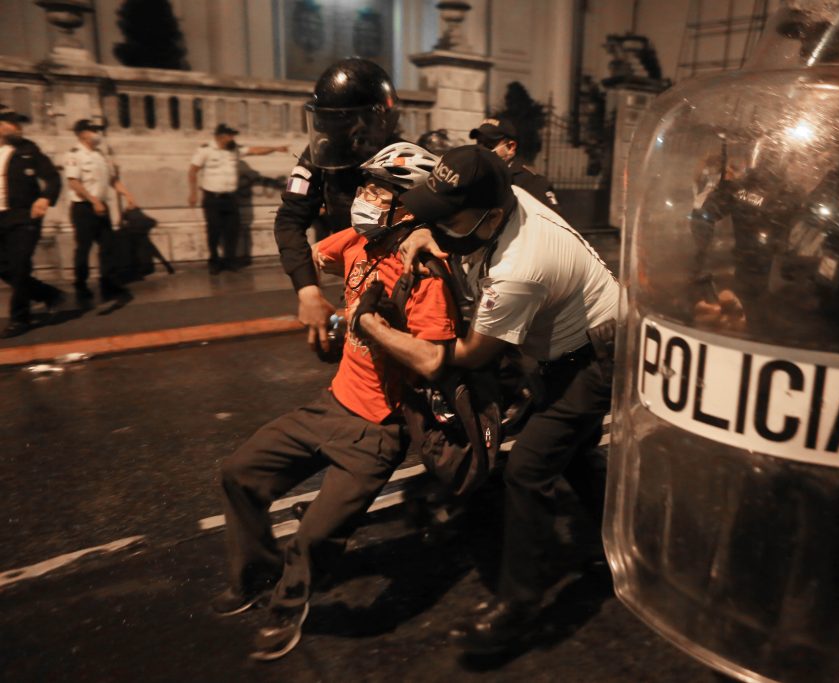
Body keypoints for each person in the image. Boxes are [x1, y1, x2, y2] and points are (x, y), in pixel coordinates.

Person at [214, 142, 456, 662]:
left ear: (408, 207)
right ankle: (257, 572)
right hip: (330, 405)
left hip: (376, 433)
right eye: (364, 187)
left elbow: (433, 361)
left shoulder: (425, 273)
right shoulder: (359, 240)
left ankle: (288, 605)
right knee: (239, 473)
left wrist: (368, 321)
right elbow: (307, 252)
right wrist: (312, 299)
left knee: (313, 538)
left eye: (376, 191)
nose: (362, 199)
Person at [389, 145, 620, 652]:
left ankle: (519, 604)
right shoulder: (501, 200)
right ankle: (621, 546)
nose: (439, 223)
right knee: (576, 454)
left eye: (448, 216)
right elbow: (456, 231)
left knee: (529, 470)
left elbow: (472, 353)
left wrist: (420, 349)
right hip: (565, 347)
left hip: (594, 358)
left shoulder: (520, 265)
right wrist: (428, 229)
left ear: (490, 216)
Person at [275, 58, 401, 359]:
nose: (334, 131)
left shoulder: (405, 159)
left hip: (400, 280)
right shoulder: (321, 154)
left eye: (344, 120)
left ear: (375, 120)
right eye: (330, 120)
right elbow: (289, 221)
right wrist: (307, 290)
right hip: (354, 277)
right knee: (331, 344)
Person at [188, 123, 288, 274]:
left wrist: (275, 148)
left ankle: (230, 261)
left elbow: (255, 151)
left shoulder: (235, 150)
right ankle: (214, 261)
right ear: (220, 136)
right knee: (214, 230)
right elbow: (192, 171)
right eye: (230, 135)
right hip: (212, 198)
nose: (232, 138)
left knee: (232, 230)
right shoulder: (205, 150)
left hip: (231, 198)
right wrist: (193, 193)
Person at [0, 108, 65, 338]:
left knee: (19, 266)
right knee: (5, 269)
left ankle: (20, 318)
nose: (17, 127)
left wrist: (45, 198)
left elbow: (53, 178)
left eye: (18, 123)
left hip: (24, 217)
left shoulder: (28, 149)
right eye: (11, 123)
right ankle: (48, 294)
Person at [64, 118, 137, 305]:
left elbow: (113, 180)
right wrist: (94, 201)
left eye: (98, 130)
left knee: (108, 246)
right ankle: (81, 285)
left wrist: (128, 195)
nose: (98, 134)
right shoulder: (74, 155)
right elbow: (73, 182)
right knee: (84, 248)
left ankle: (108, 285)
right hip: (84, 208)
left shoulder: (100, 155)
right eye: (93, 130)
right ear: (82, 134)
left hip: (101, 207)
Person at [469, 116, 560, 211]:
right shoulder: (472, 175)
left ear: (510, 147)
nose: (481, 149)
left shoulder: (533, 182)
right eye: (479, 143)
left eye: (488, 144)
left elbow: (553, 221)